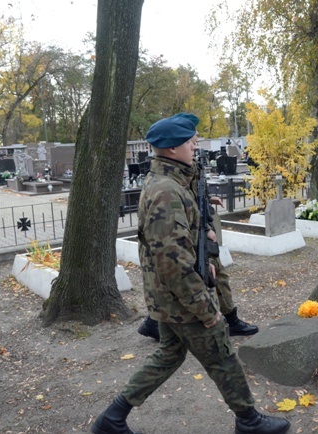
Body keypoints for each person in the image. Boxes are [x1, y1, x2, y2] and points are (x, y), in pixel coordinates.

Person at [92, 113, 289, 434]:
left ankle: (112, 419)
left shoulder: (172, 183)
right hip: (183, 300)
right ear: (171, 149)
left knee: (169, 354)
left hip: (170, 300)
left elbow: (178, 238)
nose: (196, 145)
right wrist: (206, 308)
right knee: (222, 355)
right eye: (190, 141)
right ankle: (249, 421)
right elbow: (173, 262)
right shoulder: (167, 193)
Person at [137, 164, 259, 341]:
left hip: (191, 229)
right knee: (213, 276)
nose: (193, 147)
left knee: (197, 277)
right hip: (189, 232)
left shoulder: (185, 168)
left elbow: (197, 197)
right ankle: (229, 320)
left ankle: (155, 323)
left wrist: (209, 201)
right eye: (191, 143)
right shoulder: (175, 175)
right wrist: (206, 227)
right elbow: (187, 204)